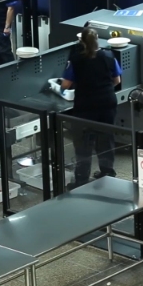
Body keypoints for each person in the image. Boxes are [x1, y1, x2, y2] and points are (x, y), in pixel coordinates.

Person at [61, 28, 122, 188]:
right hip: (107, 103)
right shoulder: (109, 56)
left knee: (83, 143)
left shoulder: (76, 59)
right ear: (97, 40)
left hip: (86, 105)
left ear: (81, 41)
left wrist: (62, 87)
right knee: (106, 138)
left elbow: (65, 84)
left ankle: (81, 180)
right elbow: (117, 80)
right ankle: (107, 173)